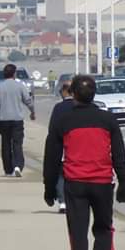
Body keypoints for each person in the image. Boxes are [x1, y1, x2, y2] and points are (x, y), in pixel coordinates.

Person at [43, 75, 125, 250]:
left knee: (78, 235)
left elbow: (51, 157)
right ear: (94, 93)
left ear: (72, 93)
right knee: (103, 231)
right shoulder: (108, 120)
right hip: (102, 184)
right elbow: (119, 155)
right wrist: (124, 183)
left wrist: (50, 187)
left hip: (75, 184)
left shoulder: (63, 121)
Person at [0, 63, 34, 177]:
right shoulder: (20, 86)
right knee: (17, 143)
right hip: (17, 119)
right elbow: (28, 100)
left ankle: (7, 169)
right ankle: (18, 165)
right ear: (14, 74)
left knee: (5, 144)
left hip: (4, 119)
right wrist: (32, 112)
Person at [48, 80, 75, 213]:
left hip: (61, 145)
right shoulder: (80, 106)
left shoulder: (58, 108)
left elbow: (52, 129)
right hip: (77, 146)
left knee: (60, 174)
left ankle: (62, 201)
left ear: (65, 92)